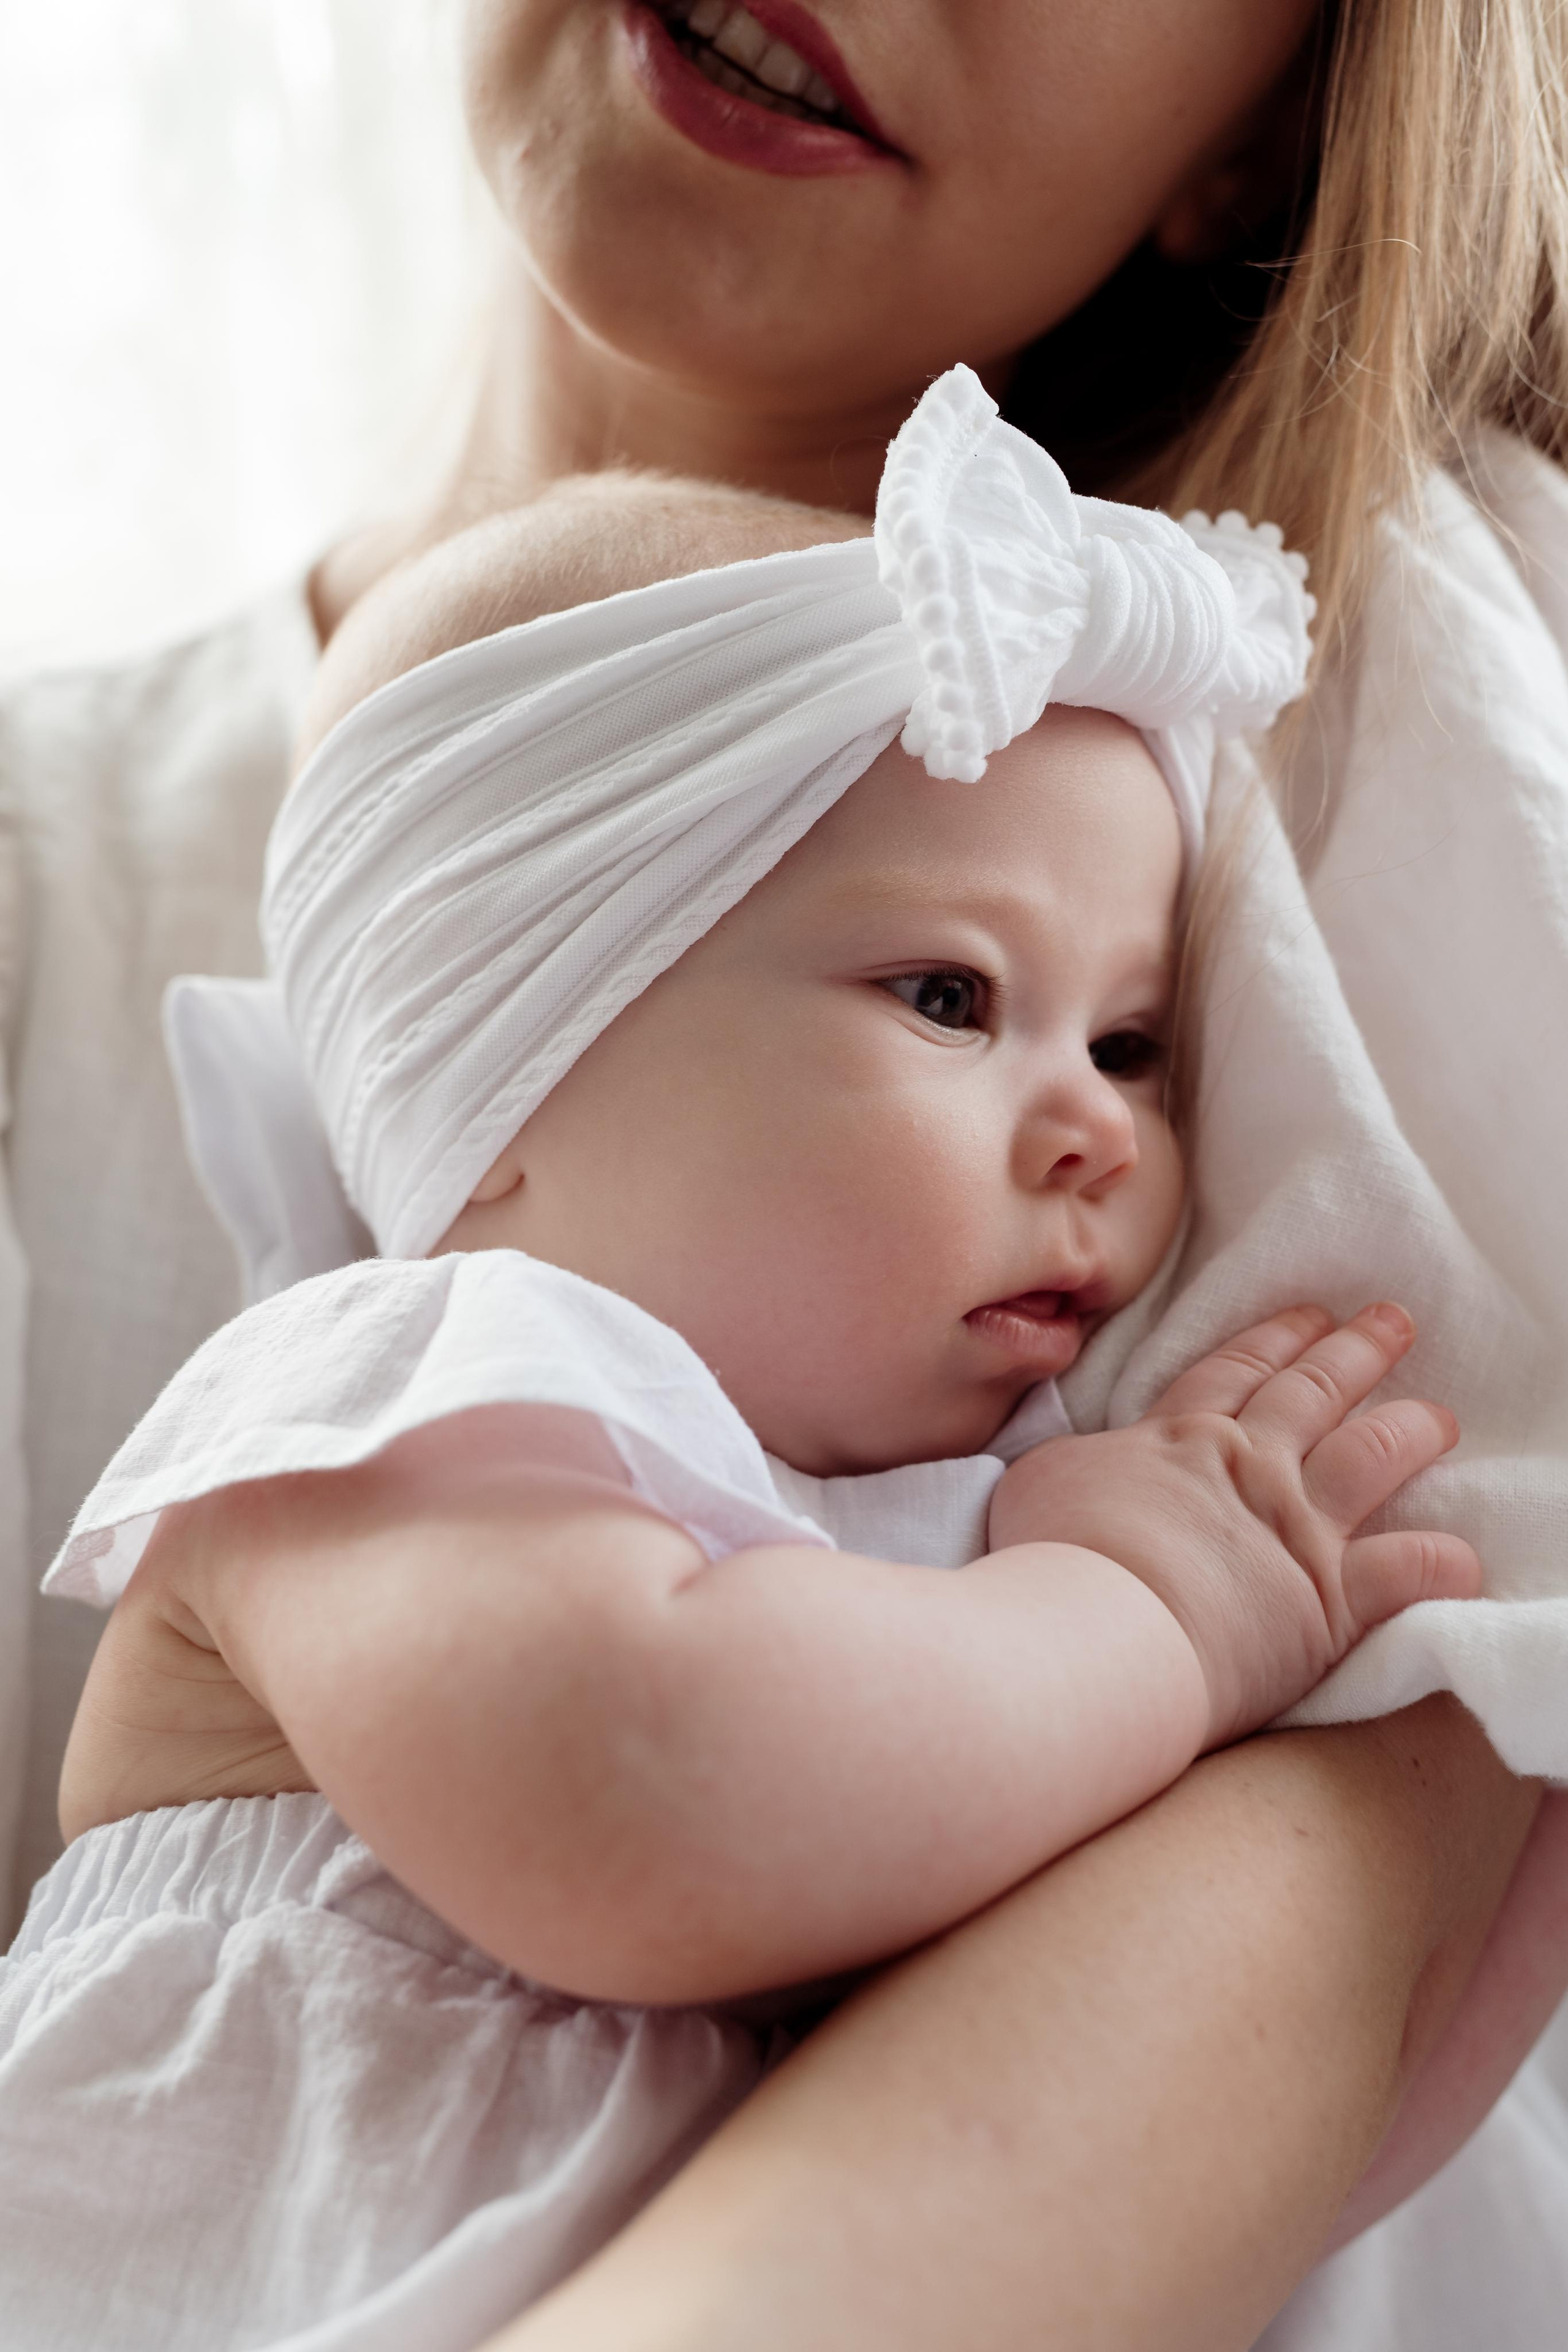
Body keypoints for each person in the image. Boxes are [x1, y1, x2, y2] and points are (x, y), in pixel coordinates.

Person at [4, 2, 1566, 2345]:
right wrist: (1151, 1627)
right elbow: (655, 1781)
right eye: (949, 1003)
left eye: (1139, 1046)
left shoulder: (1394, 753)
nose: (1100, 1135)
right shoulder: (390, 1388)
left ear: (1275, 133)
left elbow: (1373, 2056)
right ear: (518, 1076)